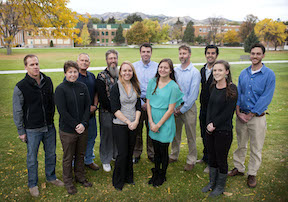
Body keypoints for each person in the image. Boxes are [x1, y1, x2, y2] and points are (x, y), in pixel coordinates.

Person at [13, 54, 64, 197]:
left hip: (49, 127)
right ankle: (33, 184)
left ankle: (51, 177)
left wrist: (50, 118)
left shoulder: (47, 81)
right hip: (32, 129)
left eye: (36, 64)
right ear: (26, 67)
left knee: (51, 154)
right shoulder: (21, 87)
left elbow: (51, 102)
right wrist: (21, 131)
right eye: (31, 65)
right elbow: (17, 111)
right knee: (32, 158)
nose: (35, 67)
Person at [228, 43, 276, 188]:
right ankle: (239, 168)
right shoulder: (244, 73)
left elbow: (266, 97)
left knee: (256, 147)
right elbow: (239, 93)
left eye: (258, 54)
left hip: (257, 118)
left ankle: (252, 173)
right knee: (240, 144)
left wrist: (251, 114)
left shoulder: (269, 75)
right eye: (253, 53)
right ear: (250, 55)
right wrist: (237, 111)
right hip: (241, 116)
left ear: (263, 55)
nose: (255, 56)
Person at [55, 61, 92, 195]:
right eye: (70, 72)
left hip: (83, 128)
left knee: (80, 154)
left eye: (75, 72)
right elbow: (62, 111)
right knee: (68, 157)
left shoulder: (82, 87)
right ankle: (68, 182)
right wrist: (75, 125)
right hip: (68, 130)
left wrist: (83, 123)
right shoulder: (60, 89)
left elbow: (87, 107)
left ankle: (80, 177)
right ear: (65, 73)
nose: (73, 74)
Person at [201, 60, 238, 197]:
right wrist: (208, 124)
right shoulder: (213, 87)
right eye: (215, 70)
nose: (216, 73)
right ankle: (212, 182)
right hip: (210, 129)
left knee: (221, 159)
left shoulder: (232, 89)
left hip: (223, 130)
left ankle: (220, 186)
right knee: (212, 157)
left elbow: (228, 112)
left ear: (227, 72)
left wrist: (214, 124)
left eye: (220, 70)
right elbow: (209, 107)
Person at [146, 59, 184, 187]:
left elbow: (171, 109)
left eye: (166, 68)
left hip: (165, 122)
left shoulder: (173, 86)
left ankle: (162, 174)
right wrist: (151, 122)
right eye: (160, 67)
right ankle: (156, 172)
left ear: (171, 70)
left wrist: (158, 125)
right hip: (153, 119)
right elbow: (148, 103)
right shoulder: (152, 82)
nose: (162, 70)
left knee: (163, 150)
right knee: (156, 150)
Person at [110, 61, 141, 191]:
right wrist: (128, 122)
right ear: (120, 72)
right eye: (124, 70)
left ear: (132, 72)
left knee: (130, 152)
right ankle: (118, 181)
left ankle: (129, 177)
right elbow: (115, 109)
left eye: (129, 70)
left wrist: (136, 121)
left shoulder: (135, 85)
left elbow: (138, 106)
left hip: (134, 124)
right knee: (122, 153)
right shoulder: (115, 87)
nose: (127, 73)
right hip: (120, 125)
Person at [169, 45, 201, 171]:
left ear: (189, 54)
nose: (182, 56)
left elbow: (193, 95)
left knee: (191, 135)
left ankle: (191, 159)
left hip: (188, 108)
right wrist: (174, 107)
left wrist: (182, 109)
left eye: (184, 53)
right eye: (180, 53)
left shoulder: (195, 72)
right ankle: (174, 154)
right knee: (175, 134)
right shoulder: (175, 71)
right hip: (175, 107)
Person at [133, 43, 158, 164]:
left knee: (151, 129)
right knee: (137, 129)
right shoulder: (134, 67)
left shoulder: (157, 67)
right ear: (140, 53)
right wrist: (140, 101)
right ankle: (136, 153)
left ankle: (151, 153)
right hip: (137, 102)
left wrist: (149, 102)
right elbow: (131, 86)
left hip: (152, 103)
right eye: (143, 51)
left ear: (151, 53)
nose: (146, 54)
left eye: (148, 51)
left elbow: (159, 86)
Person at [96, 49, 119, 172]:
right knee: (106, 136)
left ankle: (115, 155)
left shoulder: (121, 73)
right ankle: (105, 159)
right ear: (106, 60)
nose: (113, 61)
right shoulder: (101, 76)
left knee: (117, 135)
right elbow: (102, 97)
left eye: (114, 58)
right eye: (110, 58)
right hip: (106, 111)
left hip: (120, 112)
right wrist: (114, 109)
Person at [76, 53, 99, 171]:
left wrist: (95, 105)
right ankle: (76, 164)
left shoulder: (91, 76)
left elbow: (96, 92)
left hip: (91, 115)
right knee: (78, 140)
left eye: (86, 61)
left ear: (89, 64)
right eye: (82, 60)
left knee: (92, 137)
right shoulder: (73, 76)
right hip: (78, 116)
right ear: (77, 62)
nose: (84, 62)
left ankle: (88, 160)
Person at [198, 45, 219, 173]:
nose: (210, 55)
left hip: (214, 109)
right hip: (203, 108)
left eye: (213, 53)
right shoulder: (202, 70)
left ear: (216, 55)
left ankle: (212, 163)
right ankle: (205, 157)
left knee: (212, 136)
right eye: (208, 53)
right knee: (203, 133)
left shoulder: (219, 70)